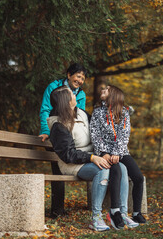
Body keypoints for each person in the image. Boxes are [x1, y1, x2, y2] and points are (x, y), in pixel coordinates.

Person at [47, 86, 139, 231]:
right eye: (71, 93)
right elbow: (68, 155)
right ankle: (96, 217)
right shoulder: (59, 126)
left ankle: (121, 213)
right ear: (66, 100)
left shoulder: (81, 114)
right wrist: (92, 158)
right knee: (101, 170)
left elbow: (101, 127)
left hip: (94, 157)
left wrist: (122, 113)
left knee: (122, 167)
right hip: (73, 164)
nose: (74, 94)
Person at [90, 85, 147, 224]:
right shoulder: (97, 112)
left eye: (107, 89)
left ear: (114, 94)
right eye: (102, 89)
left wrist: (116, 152)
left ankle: (136, 213)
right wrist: (104, 153)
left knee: (138, 178)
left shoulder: (124, 112)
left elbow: (124, 134)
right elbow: (95, 135)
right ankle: (115, 211)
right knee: (116, 171)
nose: (102, 89)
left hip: (121, 151)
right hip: (104, 152)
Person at [39, 63, 87, 218]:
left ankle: (58, 209)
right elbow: (45, 109)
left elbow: (80, 115)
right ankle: (57, 209)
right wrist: (46, 131)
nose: (80, 80)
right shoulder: (54, 87)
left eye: (83, 78)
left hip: (70, 135)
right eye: (78, 76)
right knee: (57, 169)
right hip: (55, 131)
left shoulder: (81, 95)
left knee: (64, 166)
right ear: (69, 74)